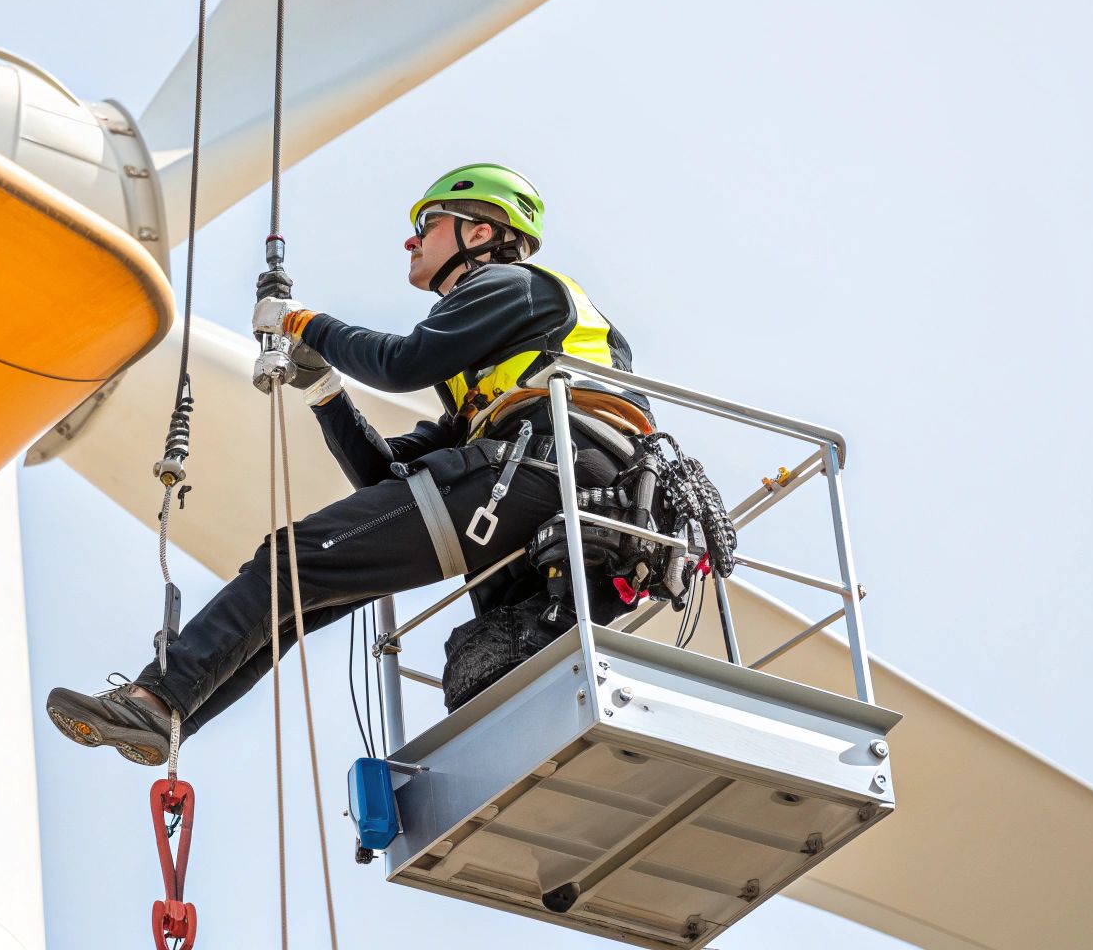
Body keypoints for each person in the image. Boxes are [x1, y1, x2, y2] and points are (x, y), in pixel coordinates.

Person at [45, 163, 650, 766]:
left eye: (428, 225)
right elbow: (386, 478)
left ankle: (155, 700)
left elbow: (400, 363)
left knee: (289, 562)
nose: (411, 240)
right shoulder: (497, 381)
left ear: (481, 233)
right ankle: (166, 717)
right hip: (544, 475)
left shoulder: (513, 285)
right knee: (298, 595)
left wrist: (303, 322)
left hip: (548, 465)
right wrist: (323, 387)